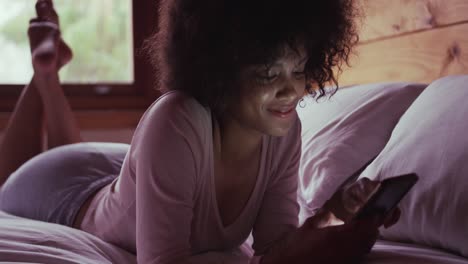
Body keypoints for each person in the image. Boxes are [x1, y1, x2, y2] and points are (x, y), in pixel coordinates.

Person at [0, 0, 401, 263]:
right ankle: (46, 76)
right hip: (62, 190)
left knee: (115, 189)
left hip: (119, 173)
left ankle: (46, 73)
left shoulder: (285, 131)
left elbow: (275, 248)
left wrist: (336, 218)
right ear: (220, 69)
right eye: (268, 72)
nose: (292, 90)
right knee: (9, 176)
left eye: (298, 70)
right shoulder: (175, 120)